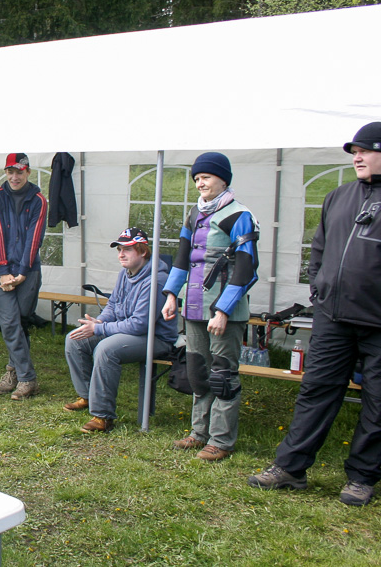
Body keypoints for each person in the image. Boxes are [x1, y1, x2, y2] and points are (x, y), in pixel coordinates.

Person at [249, 121, 381, 506]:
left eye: (365, 150)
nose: (357, 157)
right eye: (354, 151)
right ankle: (291, 467)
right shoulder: (338, 196)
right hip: (333, 319)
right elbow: (318, 249)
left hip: (377, 324)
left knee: (377, 402)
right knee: (316, 391)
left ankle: (361, 477)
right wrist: (318, 289)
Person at [160, 151, 259, 462]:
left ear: (223, 180)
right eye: (197, 178)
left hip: (223, 310)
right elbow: (182, 257)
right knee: (198, 372)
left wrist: (223, 310)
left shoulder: (239, 215)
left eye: (206, 177)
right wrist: (171, 294)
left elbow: (246, 267)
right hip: (193, 306)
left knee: (223, 376)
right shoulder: (194, 213)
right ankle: (199, 432)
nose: (200, 183)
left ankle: (221, 440)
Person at [63, 227, 179, 433]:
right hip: (128, 332)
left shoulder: (157, 280)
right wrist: (100, 321)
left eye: (127, 249)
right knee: (74, 338)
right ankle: (88, 396)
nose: (121, 254)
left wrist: (100, 329)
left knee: (106, 349)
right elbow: (113, 305)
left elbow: (140, 324)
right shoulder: (125, 274)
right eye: (119, 250)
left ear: (143, 251)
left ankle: (103, 416)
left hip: (156, 338)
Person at [0, 152, 47, 400]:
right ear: (5, 172)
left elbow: (35, 238)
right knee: (10, 322)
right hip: (2, 269)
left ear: (28, 172)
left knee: (20, 321)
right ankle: (27, 378)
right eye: (10, 172)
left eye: (19, 172)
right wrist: (4, 272)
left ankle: (13, 372)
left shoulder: (39, 200)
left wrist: (22, 272)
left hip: (29, 270)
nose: (14, 177)